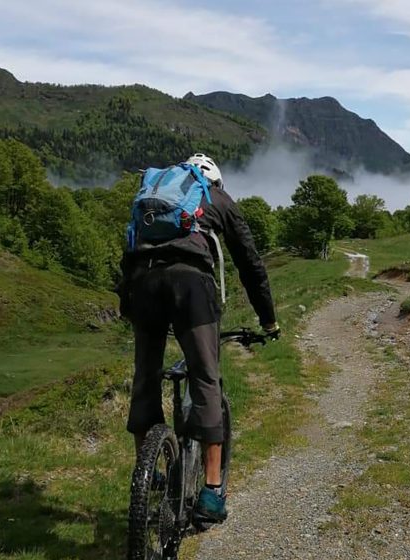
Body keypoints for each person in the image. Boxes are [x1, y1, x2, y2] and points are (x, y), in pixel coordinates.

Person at [118, 153, 279, 523]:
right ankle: (210, 493)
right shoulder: (218, 197)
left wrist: (128, 303)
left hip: (144, 282)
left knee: (146, 376)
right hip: (191, 288)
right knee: (206, 376)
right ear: (215, 180)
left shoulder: (154, 195)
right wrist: (268, 320)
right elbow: (250, 263)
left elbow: (129, 248)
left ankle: (146, 473)